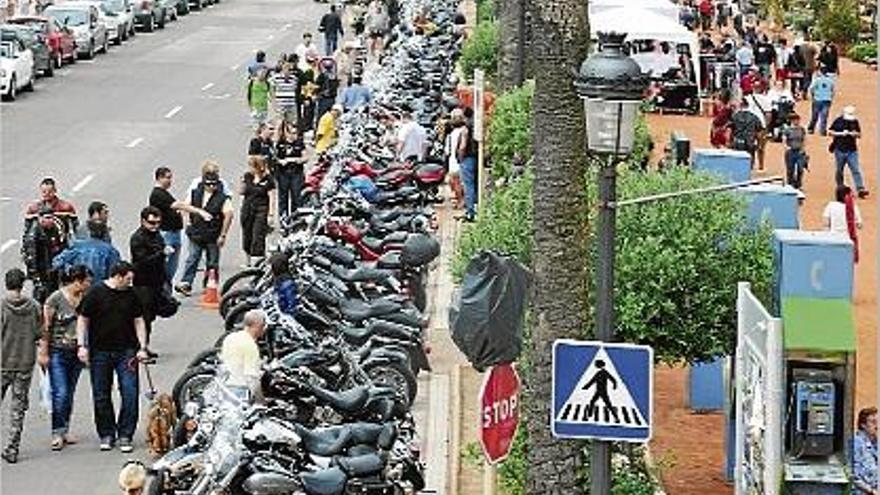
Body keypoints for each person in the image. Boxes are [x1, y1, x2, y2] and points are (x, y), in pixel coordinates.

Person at [76, 261, 148, 453]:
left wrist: (143, 346)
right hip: (100, 351)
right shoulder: (96, 292)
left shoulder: (131, 295)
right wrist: (81, 345)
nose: (131, 282)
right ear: (118, 276)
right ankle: (106, 433)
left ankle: (125, 434)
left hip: (127, 351)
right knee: (101, 394)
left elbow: (138, 320)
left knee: (130, 393)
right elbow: (83, 319)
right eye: (128, 278)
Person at [39, 264, 91, 451]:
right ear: (77, 281)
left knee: (69, 392)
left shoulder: (85, 298)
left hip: (76, 352)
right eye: (86, 282)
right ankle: (57, 431)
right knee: (59, 392)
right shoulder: (55, 299)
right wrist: (43, 352)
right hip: (58, 351)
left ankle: (65, 428)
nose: (88, 285)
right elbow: (46, 327)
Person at [1, 268, 42, 463]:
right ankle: (12, 447)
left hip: (3, 362)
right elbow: (38, 332)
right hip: (25, 362)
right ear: (23, 284)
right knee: (17, 408)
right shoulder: (33, 306)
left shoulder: (2, 306)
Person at [150, 167, 213, 287]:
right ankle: (164, 294)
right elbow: (178, 205)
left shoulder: (164, 193)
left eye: (170, 177)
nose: (170, 181)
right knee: (167, 269)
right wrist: (199, 211)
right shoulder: (158, 194)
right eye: (167, 178)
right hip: (167, 234)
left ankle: (166, 294)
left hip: (173, 233)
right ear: (159, 178)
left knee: (172, 268)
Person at [176, 170, 234, 297]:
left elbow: (229, 215)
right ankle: (186, 283)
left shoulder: (223, 198)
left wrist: (223, 235)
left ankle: (210, 284)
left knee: (212, 262)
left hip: (213, 235)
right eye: (209, 184)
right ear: (203, 183)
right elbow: (186, 206)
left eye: (214, 184)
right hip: (196, 233)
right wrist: (187, 221)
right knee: (192, 258)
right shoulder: (195, 193)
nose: (212, 187)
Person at [22, 178, 79, 302]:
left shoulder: (65, 207)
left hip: (59, 251)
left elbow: (75, 230)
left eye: (49, 191)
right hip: (39, 253)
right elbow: (27, 233)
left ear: (55, 191)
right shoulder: (33, 209)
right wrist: (27, 255)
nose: (46, 194)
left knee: (59, 284)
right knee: (40, 288)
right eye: (44, 191)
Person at [130, 206, 169, 353]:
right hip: (143, 284)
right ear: (143, 221)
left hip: (156, 282)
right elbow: (142, 261)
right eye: (152, 223)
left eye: (158, 223)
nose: (155, 226)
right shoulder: (138, 238)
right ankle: (140, 347)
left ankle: (144, 345)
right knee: (144, 317)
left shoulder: (157, 235)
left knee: (151, 316)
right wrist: (161, 254)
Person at [52, 220, 121, 283]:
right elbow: (115, 275)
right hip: (99, 290)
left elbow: (57, 262)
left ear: (90, 232)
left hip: (79, 287)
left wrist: (70, 270)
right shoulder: (111, 251)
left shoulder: (78, 246)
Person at [219, 309, 266, 400]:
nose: (264, 329)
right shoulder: (250, 347)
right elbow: (252, 379)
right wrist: (261, 400)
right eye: (263, 326)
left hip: (224, 386)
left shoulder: (230, 338)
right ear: (258, 327)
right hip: (240, 391)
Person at [239, 156, 276, 266]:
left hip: (261, 209)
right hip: (247, 208)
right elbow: (241, 192)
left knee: (258, 235)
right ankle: (248, 260)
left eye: (252, 166)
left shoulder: (268, 179)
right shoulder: (247, 176)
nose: (250, 168)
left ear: (259, 167)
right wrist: (242, 183)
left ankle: (258, 262)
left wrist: (271, 214)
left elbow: (272, 197)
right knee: (247, 235)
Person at [828, 105, 869, 198]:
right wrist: (841, 134)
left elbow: (859, 134)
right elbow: (830, 132)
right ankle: (840, 187)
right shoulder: (838, 121)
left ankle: (860, 189)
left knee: (855, 169)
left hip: (852, 150)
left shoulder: (855, 121)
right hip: (839, 149)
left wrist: (853, 134)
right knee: (839, 170)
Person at [274, 122, 308, 218]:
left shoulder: (299, 143)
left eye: (295, 133)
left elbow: (305, 157)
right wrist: (280, 161)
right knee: (283, 198)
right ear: (287, 133)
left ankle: (295, 218)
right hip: (283, 174)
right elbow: (274, 157)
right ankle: (283, 219)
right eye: (292, 133)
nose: (294, 136)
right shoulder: (280, 143)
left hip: (296, 174)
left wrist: (298, 160)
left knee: (296, 197)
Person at [729, 98, 763, 168]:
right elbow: (759, 133)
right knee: (748, 164)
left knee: (736, 163)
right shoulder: (754, 117)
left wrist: (730, 141)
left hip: (737, 141)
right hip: (750, 142)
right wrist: (759, 144)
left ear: (741, 105)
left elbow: (730, 130)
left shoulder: (735, 116)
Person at [745, 84, 772, 170]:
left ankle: (751, 166)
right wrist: (766, 127)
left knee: (751, 147)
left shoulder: (747, 98)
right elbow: (768, 114)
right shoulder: (766, 99)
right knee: (760, 148)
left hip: (750, 125)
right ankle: (760, 166)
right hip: (761, 126)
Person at [459, 107, 479, 222]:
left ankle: (470, 212)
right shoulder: (476, 125)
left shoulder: (466, 128)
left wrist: (460, 157)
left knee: (468, 185)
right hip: (476, 157)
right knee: (475, 184)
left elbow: (462, 146)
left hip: (467, 158)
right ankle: (476, 209)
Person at [852, 407, 878, 495]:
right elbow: (853, 475)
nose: (877, 426)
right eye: (873, 422)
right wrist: (871, 491)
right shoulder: (857, 443)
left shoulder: (875, 442)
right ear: (863, 425)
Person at [445, 109, 465, 209]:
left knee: (455, 182)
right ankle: (460, 200)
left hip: (454, 161)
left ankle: (460, 200)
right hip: (460, 160)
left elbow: (447, 151)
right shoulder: (465, 131)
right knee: (458, 182)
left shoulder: (451, 134)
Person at [782, 113, 808, 189]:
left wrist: (803, 148)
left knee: (800, 168)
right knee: (790, 169)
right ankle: (790, 184)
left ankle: (798, 184)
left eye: (798, 120)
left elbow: (804, 139)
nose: (797, 121)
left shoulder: (802, 129)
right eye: (795, 120)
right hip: (790, 152)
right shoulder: (787, 130)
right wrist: (786, 147)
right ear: (792, 121)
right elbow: (784, 140)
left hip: (799, 151)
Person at [807, 67, 835, 135]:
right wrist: (830, 97)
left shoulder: (817, 80)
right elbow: (833, 91)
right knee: (824, 116)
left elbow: (811, 88)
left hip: (817, 99)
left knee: (814, 115)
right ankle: (822, 130)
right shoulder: (831, 80)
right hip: (827, 100)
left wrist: (813, 96)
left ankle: (811, 128)